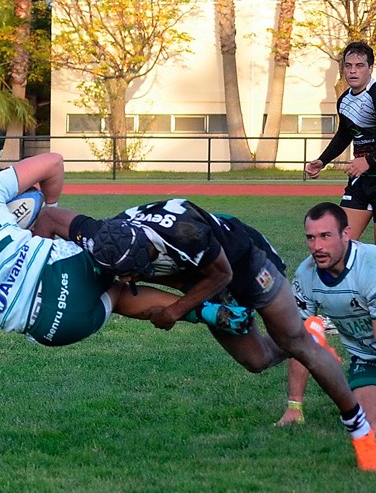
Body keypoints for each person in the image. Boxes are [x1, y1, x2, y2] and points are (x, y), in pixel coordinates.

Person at [31, 199, 376, 471]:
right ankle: (280, 328)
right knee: (257, 360)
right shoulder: (99, 232)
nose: (126, 278)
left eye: (131, 272)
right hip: (193, 275)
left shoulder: (185, 233)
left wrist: (176, 312)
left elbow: (222, 274)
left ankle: (357, 426)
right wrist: (36, 270)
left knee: (292, 341)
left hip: (242, 261)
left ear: (145, 254)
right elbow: (47, 219)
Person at [0, 154, 249, 409]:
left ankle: (200, 312)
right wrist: (47, 205)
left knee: (119, 297)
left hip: (54, 330)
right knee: (69, 228)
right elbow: (53, 161)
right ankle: (193, 289)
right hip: (69, 271)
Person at [276, 203, 376, 430]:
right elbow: (298, 341)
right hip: (367, 361)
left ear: (346, 235)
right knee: (368, 425)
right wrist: (294, 406)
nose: (317, 246)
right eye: (311, 238)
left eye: (325, 236)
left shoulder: (371, 266)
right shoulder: (306, 275)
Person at [305, 41, 376, 242]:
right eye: (348, 65)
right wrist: (322, 160)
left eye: (360, 66)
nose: (353, 71)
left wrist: (368, 161)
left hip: (368, 167)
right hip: (361, 180)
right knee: (341, 244)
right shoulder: (344, 100)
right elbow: (344, 134)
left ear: (370, 68)